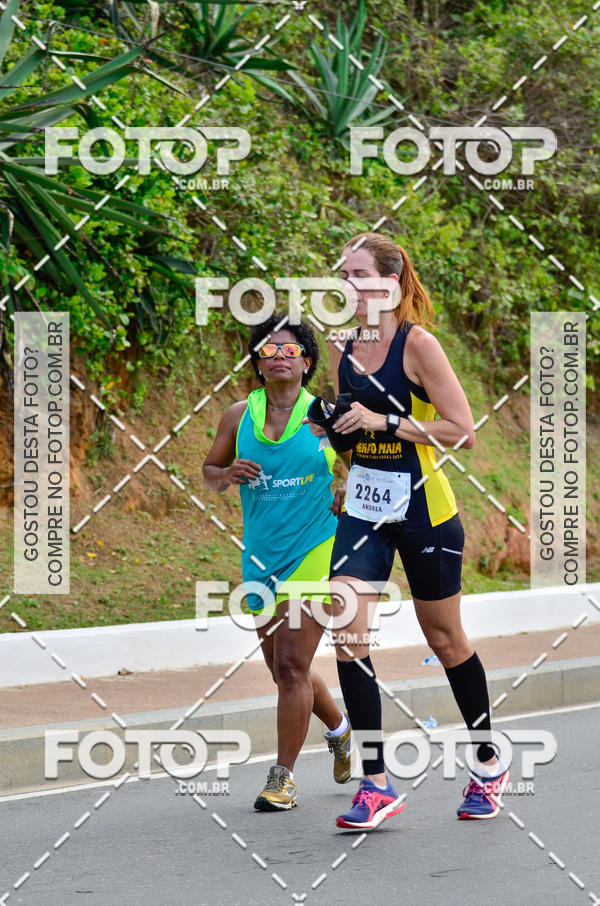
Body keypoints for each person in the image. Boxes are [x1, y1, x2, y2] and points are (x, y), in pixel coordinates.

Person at [309, 232, 509, 830]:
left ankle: (488, 763)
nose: (346, 284)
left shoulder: (419, 345)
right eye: (342, 274)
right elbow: (353, 434)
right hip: (366, 509)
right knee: (347, 631)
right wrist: (336, 433)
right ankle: (375, 785)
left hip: (425, 507)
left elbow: (462, 431)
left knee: (445, 640)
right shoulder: (342, 344)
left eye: (357, 273)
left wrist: (387, 420)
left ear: (389, 282)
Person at [203, 313, 357, 811]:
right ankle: (339, 728)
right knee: (282, 668)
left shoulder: (326, 413)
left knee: (292, 663)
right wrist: (227, 472)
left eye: (289, 350)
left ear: (307, 361)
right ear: (257, 362)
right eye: (268, 351)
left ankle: (282, 779)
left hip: (315, 547)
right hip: (260, 554)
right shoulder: (237, 415)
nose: (278, 358)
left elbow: (363, 464)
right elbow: (208, 472)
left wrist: (346, 486)